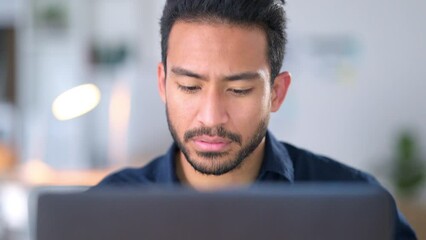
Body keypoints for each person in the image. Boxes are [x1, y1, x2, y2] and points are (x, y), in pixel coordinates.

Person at [94, 0, 417, 238]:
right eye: (190, 87)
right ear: (163, 84)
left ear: (276, 93)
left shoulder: (356, 205)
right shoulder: (103, 211)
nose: (211, 117)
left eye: (238, 89)